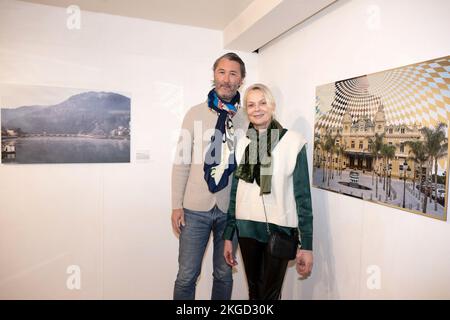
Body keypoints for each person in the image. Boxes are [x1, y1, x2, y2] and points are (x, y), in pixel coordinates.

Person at [223, 83, 313, 300]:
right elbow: (236, 192)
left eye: (262, 102)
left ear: (272, 106)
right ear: (246, 110)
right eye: (251, 104)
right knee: (254, 293)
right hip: (246, 229)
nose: (257, 109)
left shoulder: (293, 142)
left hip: (279, 231)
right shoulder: (243, 143)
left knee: (270, 295)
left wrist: (307, 245)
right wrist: (228, 235)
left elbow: (303, 197)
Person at [171, 52, 248, 300]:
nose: (226, 79)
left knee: (224, 275)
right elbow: (181, 161)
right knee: (186, 276)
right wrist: (176, 205)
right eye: (222, 72)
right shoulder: (194, 114)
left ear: (241, 80)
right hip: (194, 210)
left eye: (233, 73)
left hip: (230, 212)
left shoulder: (248, 118)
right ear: (214, 76)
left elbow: (253, 165)